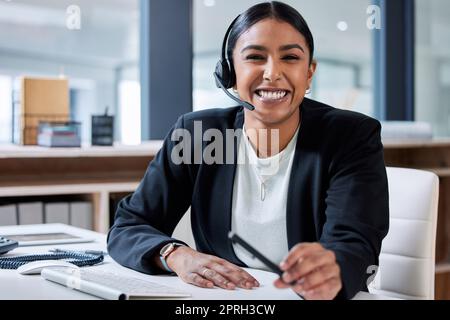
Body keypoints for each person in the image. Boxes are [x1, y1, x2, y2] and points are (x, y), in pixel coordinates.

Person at [107, 1, 389, 300]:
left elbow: (354, 244)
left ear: (309, 73)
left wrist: (332, 270)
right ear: (229, 72)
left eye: (290, 57)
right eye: (255, 56)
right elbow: (130, 225)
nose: (272, 73)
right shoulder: (198, 134)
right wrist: (176, 255)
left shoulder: (349, 136)